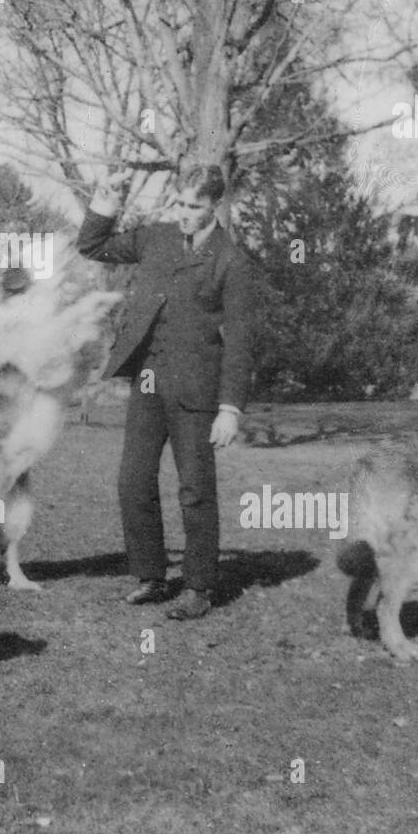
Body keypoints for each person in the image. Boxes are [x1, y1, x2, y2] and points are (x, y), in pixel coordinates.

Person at [76, 166, 257, 620]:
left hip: (197, 392)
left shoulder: (230, 260)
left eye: (194, 206)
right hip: (148, 382)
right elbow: (92, 245)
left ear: (214, 204)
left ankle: (198, 586)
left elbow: (240, 339)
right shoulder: (154, 237)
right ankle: (151, 577)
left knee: (195, 490)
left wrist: (230, 409)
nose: (183, 214)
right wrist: (106, 199)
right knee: (133, 483)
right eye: (178, 203)